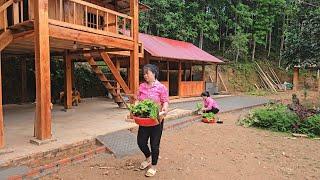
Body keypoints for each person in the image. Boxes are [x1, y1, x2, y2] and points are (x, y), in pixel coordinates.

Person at [136, 64, 169, 177]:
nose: (145, 75)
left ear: (154, 73)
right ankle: (148, 157)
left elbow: (165, 101)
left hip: (156, 120)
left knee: (154, 145)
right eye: (144, 73)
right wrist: (135, 107)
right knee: (140, 142)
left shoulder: (161, 87)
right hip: (144, 120)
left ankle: (153, 166)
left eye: (147, 73)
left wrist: (165, 108)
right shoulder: (141, 86)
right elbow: (138, 100)